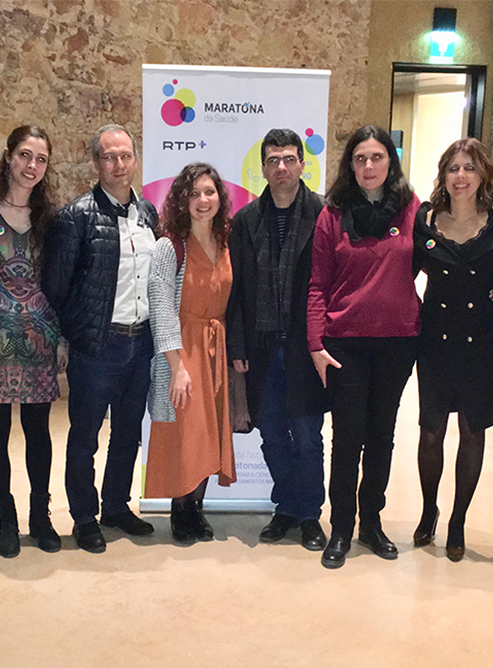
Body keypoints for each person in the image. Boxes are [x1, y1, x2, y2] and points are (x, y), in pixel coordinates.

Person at [307, 125, 422, 569]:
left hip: (397, 342)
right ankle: (340, 528)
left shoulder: (412, 210)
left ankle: (371, 524)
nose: (369, 166)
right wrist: (315, 342)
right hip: (345, 345)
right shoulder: (332, 215)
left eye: (377, 157)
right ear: (349, 165)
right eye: (360, 159)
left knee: (381, 437)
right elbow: (317, 284)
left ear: (391, 161)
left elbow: (441, 258)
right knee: (347, 438)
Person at [41, 124, 158, 553]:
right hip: (97, 346)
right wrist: (76, 335)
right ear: (96, 162)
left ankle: (116, 506)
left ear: (135, 160)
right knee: (85, 436)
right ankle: (84, 516)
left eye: (125, 155)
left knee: (128, 433)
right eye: (109, 156)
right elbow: (55, 287)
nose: (118, 164)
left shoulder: (148, 214)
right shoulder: (75, 217)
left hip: (140, 343)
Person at [412, 138, 493, 561]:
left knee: (472, 432)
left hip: (482, 342)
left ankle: (458, 519)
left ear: (483, 175)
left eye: (469, 168)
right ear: (444, 175)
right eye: (453, 168)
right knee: (431, 431)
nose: (461, 176)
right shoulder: (425, 221)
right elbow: (399, 271)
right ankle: (428, 510)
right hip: (435, 339)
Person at [226, 129, 328, 551]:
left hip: (307, 348)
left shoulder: (324, 215)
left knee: (307, 436)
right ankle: (287, 507)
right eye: (273, 160)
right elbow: (235, 292)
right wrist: (237, 348)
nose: (281, 167)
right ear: (263, 169)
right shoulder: (246, 220)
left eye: (289, 158)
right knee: (271, 435)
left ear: (302, 164)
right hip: (261, 349)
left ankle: (309, 515)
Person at [0, 125, 64, 557]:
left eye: (41, 159)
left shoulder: (51, 220)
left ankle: (39, 516)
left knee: (38, 433)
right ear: (9, 155)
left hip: (38, 341)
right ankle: (6, 518)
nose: (32, 166)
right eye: (25, 155)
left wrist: (61, 337)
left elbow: (61, 282)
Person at [146, 162, 236, 544]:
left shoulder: (226, 242)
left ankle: (196, 507)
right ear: (182, 199)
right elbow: (160, 307)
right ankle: (180, 510)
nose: (202, 200)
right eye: (194, 193)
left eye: (209, 192)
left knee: (209, 433)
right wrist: (176, 366)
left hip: (216, 349)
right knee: (185, 432)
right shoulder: (170, 247)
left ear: (220, 198)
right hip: (182, 351)